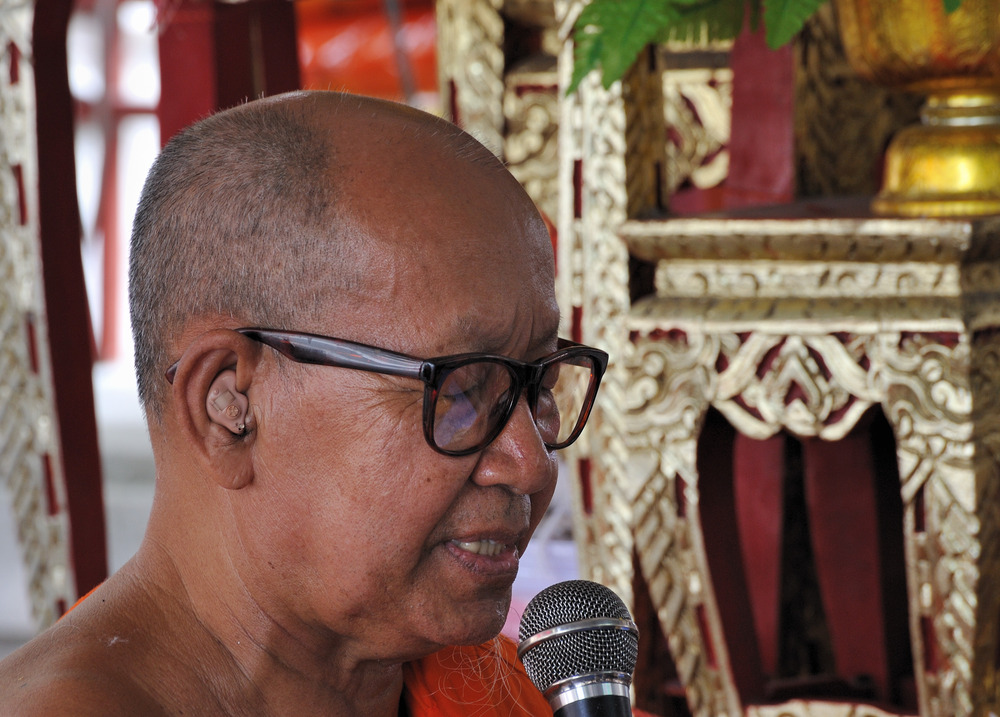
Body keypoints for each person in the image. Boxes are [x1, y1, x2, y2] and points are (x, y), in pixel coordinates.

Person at [0, 90, 607, 715]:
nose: (531, 466)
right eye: (459, 388)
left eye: (538, 385)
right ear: (228, 408)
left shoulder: (507, 693)